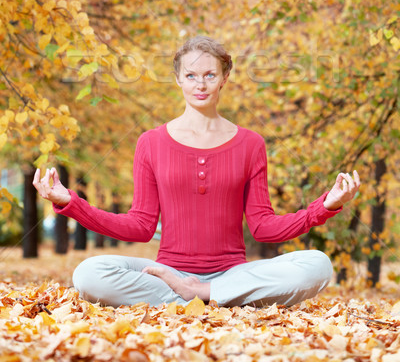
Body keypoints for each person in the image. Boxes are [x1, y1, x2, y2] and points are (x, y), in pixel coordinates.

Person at [33, 36, 360, 309]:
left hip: (233, 273)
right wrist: (71, 203)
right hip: (166, 272)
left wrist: (325, 206)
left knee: (317, 264)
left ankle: (204, 296)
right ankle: (212, 300)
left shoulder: (251, 143)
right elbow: (140, 225)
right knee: (89, 273)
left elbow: (263, 226)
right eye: (191, 76)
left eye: (210, 75)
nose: (200, 84)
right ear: (178, 79)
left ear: (224, 79)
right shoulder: (151, 142)